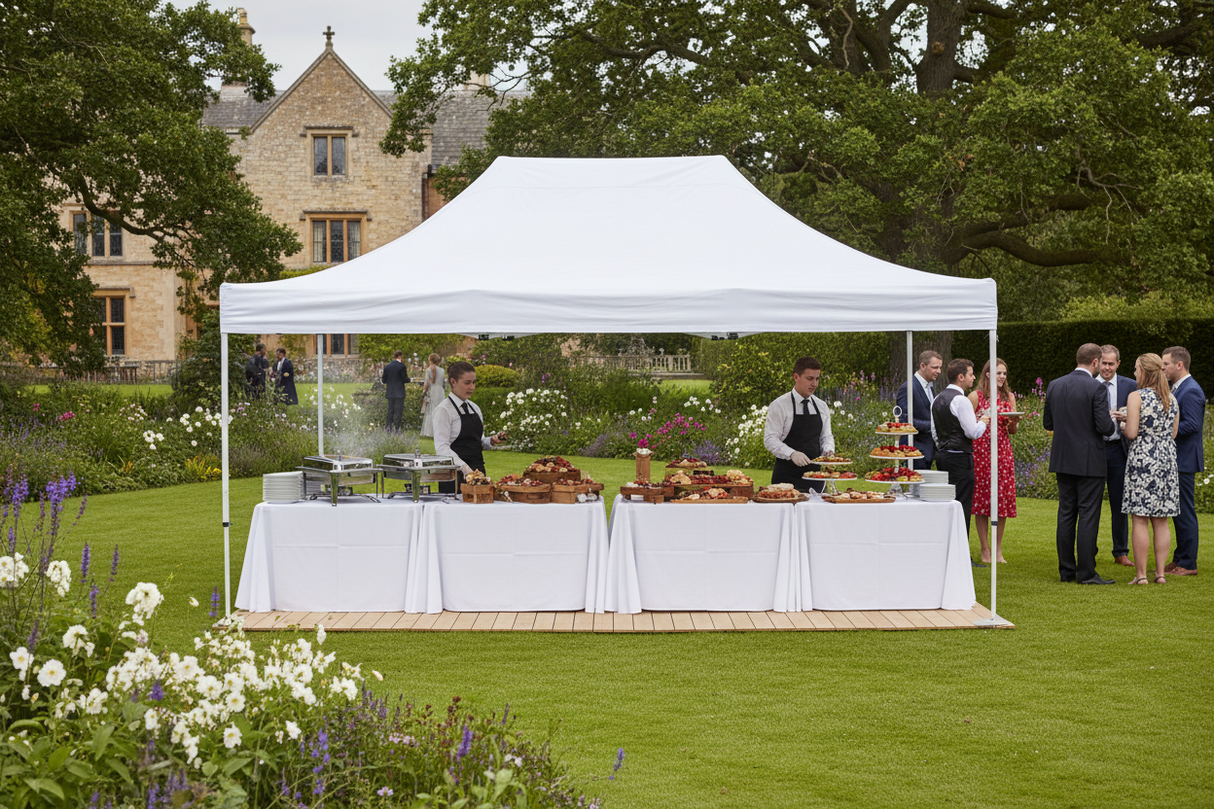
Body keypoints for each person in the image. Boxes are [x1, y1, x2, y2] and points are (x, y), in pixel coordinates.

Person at [1042, 343, 1117, 584]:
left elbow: (1048, 423)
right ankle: (1086, 573)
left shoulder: (1055, 385)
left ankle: (1066, 571)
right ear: (1095, 362)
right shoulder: (1095, 388)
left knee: (1066, 513)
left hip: (1063, 458)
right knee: (1088, 514)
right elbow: (1104, 427)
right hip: (1089, 460)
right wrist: (1115, 421)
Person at [1119, 353, 1179, 585]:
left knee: (1140, 518)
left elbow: (1132, 432)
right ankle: (1161, 574)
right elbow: (1173, 433)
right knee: (1162, 520)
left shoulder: (1137, 396)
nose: (1134, 373)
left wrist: (1123, 423)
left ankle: (1141, 574)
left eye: (1136, 369)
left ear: (1144, 371)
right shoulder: (1171, 399)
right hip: (1166, 460)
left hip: (1143, 459)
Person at [930, 358, 991, 567]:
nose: (974, 378)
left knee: (946, 503)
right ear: (961, 377)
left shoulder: (937, 399)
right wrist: (983, 422)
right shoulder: (961, 400)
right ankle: (961, 555)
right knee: (962, 505)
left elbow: (935, 433)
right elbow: (971, 432)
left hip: (943, 456)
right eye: (971, 374)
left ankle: (946, 551)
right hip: (960, 457)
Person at [968, 358, 1022, 564]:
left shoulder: (1008, 397)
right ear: (988, 374)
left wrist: (1014, 422)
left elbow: (1012, 431)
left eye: (1004, 374)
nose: (1002, 377)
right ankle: (984, 548)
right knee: (982, 500)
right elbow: (966, 426)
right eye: (998, 373)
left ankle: (998, 550)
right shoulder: (975, 396)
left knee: (1002, 500)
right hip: (981, 452)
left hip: (1002, 451)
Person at [763, 357, 836, 493]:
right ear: (796, 377)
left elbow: (826, 436)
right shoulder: (779, 406)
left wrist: (828, 450)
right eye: (809, 378)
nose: (814, 384)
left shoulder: (822, 406)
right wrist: (791, 453)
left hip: (816, 480)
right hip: (785, 482)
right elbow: (770, 439)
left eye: (817, 379)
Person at [1162, 346, 1204, 576]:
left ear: (1179, 365)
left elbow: (1193, 425)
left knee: (1185, 512)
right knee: (1177, 511)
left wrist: (1162, 429)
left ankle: (1188, 562)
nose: (1163, 368)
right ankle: (1179, 556)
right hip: (1178, 459)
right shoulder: (1179, 388)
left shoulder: (1191, 390)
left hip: (1184, 459)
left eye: (1166, 364)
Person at [434, 361, 504, 492]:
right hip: (454, 477)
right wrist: (464, 468)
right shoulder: (443, 410)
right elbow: (441, 448)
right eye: (467, 383)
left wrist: (492, 441)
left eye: (474, 382)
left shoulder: (475, 408)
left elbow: (478, 442)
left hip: (478, 474)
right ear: (453, 382)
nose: (472, 387)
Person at [1097, 345, 1137, 567]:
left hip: (1118, 450)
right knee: (1090, 503)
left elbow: (1140, 414)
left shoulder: (1131, 386)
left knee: (1119, 503)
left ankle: (1120, 551)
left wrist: (1126, 417)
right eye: (1104, 363)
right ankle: (1088, 550)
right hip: (1094, 450)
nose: (1107, 367)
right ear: (1097, 362)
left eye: (1111, 363)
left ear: (1118, 364)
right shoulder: (1090, 384)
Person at [895, 350, 942, 470]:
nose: (939, 371)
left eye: (939, 367)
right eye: (935, 367)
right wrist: (933, 426)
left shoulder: (930, 387)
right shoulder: (908, 388)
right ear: (923, 366)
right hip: (913, 451)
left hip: (928, 450)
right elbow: (904, 421)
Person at [420, 353, 447, 438]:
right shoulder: (442, 371)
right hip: (440, 391)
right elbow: (444, 383)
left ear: (430, 361)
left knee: (431, 410)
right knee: (439, 411)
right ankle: (440, 431)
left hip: (433, 391)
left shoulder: (428, 370)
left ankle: (429, 432)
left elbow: (426, 383)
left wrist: (423, 392)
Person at [382, 350, 410, 431]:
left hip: (390, 392)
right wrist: (409, 380)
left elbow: (384, 380)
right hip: (399, 392)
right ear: (400, 356)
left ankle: (388, 427)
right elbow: (405, 379)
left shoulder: (387, 367)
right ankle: (396, 428)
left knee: (390, 410)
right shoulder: (401, 366)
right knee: (398, 411)